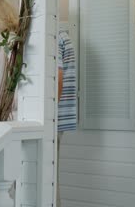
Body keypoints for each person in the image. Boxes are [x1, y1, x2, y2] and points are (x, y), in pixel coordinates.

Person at [56, 29, 77, 207]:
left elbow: (57, 81)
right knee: (50, 178)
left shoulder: (54, 35)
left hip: (52, 119)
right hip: (59, 118)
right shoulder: (62, 35)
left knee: (48, 181)